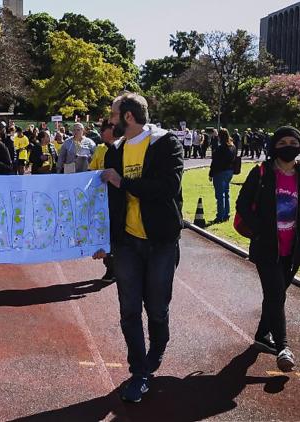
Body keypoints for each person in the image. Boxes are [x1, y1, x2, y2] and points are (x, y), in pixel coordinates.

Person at [97, 92, 184, 403]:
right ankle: (140, 371)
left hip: (160, 243)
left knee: (157, 309)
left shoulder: (165, 144)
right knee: (129, 310)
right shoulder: (114, 152)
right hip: (127, 245)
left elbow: (167, 188)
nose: (110, 120)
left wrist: (125, 182)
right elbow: (107, 203)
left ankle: (156, 351)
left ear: (128, 117)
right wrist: (101, 241)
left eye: (113, 114)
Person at [236, 126, 300, 372]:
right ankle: (283, 346)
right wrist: (260, 229)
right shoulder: (261, 173)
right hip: (266, 247)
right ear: (274, 146)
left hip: (292, 249)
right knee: (276, 294)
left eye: (292, 141)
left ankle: (263, 334)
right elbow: (242, 203)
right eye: (282, 142)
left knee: (276, 294)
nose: (287, 146)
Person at [89, 119, 116, 282]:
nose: (100, 133)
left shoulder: (123, 147)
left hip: (118, 196)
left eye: (103, 130)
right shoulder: (99, 149)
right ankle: (110, 266)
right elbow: (92, 169)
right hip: (102, 197)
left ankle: (117, 265)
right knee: (105, 231)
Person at [209, 128, 237, 223]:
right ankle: (226, 214)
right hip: (229, 171)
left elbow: (215, 162)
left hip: (220, 172)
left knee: (220, 195)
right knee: (226, 193)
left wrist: (211, 173)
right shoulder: (232, 146)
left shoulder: (221, 148)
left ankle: (220, 215)